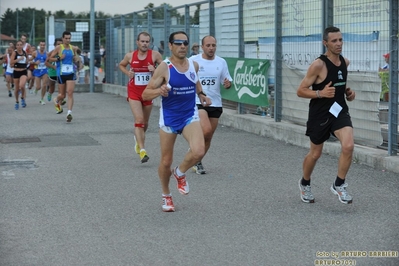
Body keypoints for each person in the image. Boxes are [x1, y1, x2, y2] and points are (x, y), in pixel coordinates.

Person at [142, 31, 212, 212]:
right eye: (178, 43)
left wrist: (201, 94)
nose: (182, 46)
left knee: (199, 151)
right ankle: (166, 196)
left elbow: (195, 81)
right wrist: (160, 91)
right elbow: (146, 93)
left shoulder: (193, 65)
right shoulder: (164, 68)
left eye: (185, 43)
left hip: (190, 115)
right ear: (171, 46)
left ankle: (180, 173)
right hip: (170, 119)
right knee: (166, 161)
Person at [296, 26, 356, 205]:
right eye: (334, 41)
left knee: (348, 145)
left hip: (339, 111)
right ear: (325, 43)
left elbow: (339, 84)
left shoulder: (345, 62)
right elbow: (300, 90)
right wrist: (320, 94)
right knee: (315, 154)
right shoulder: (318, 65)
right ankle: (305, 183)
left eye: (340, 40)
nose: (338, 44)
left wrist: (348, 92)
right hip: (320, 114)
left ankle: (339, 184)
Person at [189, 35, 233, 174]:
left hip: (215, 102)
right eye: (208, 45)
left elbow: (226, 81)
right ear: (202, 47)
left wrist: (227, 84)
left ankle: (197, 160)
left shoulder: (221, 62)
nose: (211, 48)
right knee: (206, 130)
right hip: (198, 101)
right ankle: (195, 151)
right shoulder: (193, 60)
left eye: (213, 45)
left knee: (209, 136)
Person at [118, 32, 163, 163]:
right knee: (139, 119)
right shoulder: (130, 55)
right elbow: (121, 65)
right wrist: (128, 73)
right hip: (134, 92)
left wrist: (154, 70)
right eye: (142, 41)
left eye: (147, 41)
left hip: (149, 92)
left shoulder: (155, 55)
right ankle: (143, 151)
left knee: (145, 123)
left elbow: (165, 68)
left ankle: (138, 140)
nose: (144, 44)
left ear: (150, 43)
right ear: (137, 42)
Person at [49, 31, 80, 122]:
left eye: (69, 38)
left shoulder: (72, 48)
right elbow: (50, 58)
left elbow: (75, 58)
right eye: (66, 38)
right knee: (62, 95)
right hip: (61, 73)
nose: (68, 40)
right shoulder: (59, 48)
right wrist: (59, 58)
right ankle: (56, 100)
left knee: (70, 92)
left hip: (70, 72)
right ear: (63, 39)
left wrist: (76, 58)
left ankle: (69, 113)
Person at [10, 40, 29, 110]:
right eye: (18, 45)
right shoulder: (14, 53)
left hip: (23, 71)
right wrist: (19, 59)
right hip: (16, 71)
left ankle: (22, 97)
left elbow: (27, 60)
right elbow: (11, 62)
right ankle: (17, 101)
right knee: (17, 88)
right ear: (16, 46)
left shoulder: (25, 52)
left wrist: (27, 61)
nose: (19, 46)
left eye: (20, 45)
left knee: (22, 85)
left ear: (22, 46)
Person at [31, 40, 49, 105]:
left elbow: (49, 61)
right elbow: (29, 61)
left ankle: (42, 99)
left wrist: (47, 63)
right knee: (39, 87)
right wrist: (34, 62)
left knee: (44, 85)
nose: (42, 46)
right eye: (41, 45)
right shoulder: (35, 53)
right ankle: (36, 89)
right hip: (37, 70)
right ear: (39, 45)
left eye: (43, 45)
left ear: (45, 46)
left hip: (44, 70)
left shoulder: (47, 53)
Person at [45, 38, 63, 103]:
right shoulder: (51, 53)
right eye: (58, 44)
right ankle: (50, 92)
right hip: (52, 72)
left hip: (61, 73)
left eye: (61, 44)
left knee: (60, 88)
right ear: (55, 45)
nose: (59, 46)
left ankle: (59, 102)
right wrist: (53, 66)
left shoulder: (64, 52)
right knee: (52, 88)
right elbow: (46, 63)